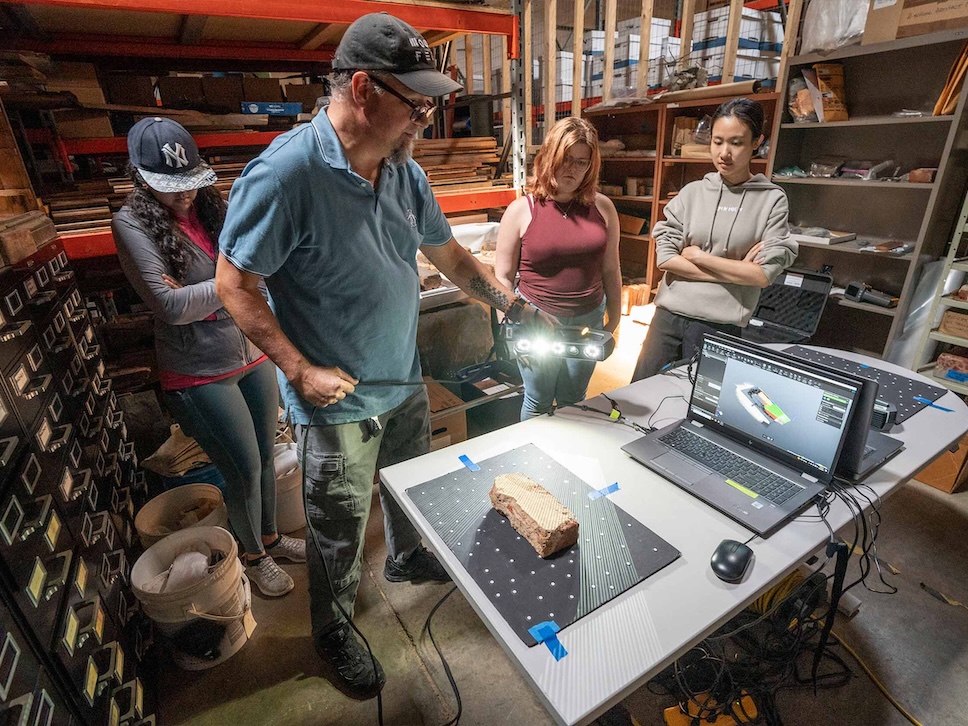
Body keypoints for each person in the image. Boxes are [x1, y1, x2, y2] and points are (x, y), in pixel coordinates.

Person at [214, 13, 554, 701]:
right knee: (338, 529)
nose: (424, 119)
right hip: (336, 403)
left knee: (407, 486)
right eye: (416, 104)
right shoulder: (285, 176)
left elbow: (451, 257)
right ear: (364, 89)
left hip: (401, 378)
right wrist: (298, 369)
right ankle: (332, 628)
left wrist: (511, 305)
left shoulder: (404, 175)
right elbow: (233, 284)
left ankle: (404, 559)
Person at [112, 117, 306, 599]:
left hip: (249, 353)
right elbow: (171, 307)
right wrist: (238, 286)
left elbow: (242, 272)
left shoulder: (212, 210)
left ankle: (270, 538)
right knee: (242, 469)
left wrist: (225, 290)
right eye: (171, 189)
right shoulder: (130, 224)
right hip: (198, 372)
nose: (184, 196)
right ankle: (254, 558)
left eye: (190, 185)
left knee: (264, 456)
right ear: (140, 179)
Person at [631, 98, 797, 381]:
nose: (724, 153)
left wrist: (698, 257)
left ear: (757, 141)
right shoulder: (692, 193)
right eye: (717, 141)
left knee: (696, 408)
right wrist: (735, 272)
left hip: (720, 326)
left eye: (736, 143)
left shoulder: (771, 200)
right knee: (635, 400)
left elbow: (761, 276)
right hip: (668, 319)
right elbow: (666, 259)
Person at [495, 117, 621, 419]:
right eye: (565, 159)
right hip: (536, 318)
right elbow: (502, 275)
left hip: (587, 319)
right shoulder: (521, 210)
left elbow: (611, 269)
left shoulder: (603, 208)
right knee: (538, 398)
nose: (572, 169)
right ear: (549, 156)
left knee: (573, 397)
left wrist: (614, 318)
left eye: (581, 162)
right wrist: (509, 320)